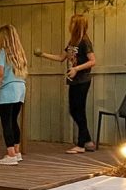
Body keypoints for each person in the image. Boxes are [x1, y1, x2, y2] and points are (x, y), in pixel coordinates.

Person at [36, 14, 96, 153]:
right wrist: (43, 54)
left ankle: (81, 145)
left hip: (82, 80)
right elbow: (61, 57)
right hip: (73, 81)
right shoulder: (72, 42)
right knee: (74, 110)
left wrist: (76, 68)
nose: (70, 25)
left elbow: (93, 61)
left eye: (73, 23)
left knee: (78, 110)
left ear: (78, 25)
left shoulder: (84, 41)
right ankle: (87, 141)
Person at [0, 24, 28, 166]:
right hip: (20, 90)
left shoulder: (1, 53)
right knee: (13, 121)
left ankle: (10, 154)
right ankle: (17, 151)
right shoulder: (20, 54)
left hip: (7, 91)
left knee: (6, 122)